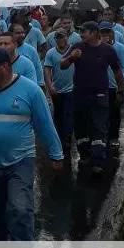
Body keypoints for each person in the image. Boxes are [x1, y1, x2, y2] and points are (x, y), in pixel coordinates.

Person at [0, 48, 63, 240]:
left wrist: (56, 154)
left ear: (5, 67)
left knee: (20, 208)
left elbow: (45, 125)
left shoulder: (30, 90)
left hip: (21, 160)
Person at [60, 22, 124, 174]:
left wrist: (121, 91)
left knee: (99, 126)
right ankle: (85, 155)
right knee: (81, 125)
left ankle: (98, 160)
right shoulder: (77, 47)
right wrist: (71, 58)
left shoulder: (108, 50)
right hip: (80, 94)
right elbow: (62, 65)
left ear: (95, 33)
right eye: (80, 31)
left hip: (100, 94)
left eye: (84, 31)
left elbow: (117, 71)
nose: (81, 34)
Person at [44, 30, 76, 161]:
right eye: (57, 38)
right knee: (58, 114)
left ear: (67, 38)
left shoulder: (73, 51)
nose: (60, 40)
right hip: (57, 89)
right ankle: (61, 136)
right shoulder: (51, 53)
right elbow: (47, 69)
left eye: (62, 37)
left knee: (69, 113)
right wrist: (50, 86)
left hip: (72, 89)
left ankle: (68, 137)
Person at [99, 22, 124, 150]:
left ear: (112, 33)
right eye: (103, 32)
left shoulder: (120, 48)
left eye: (108, 32)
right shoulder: (96, 48)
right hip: (100, 87)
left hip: (114, 87)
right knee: (101, 113)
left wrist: (123, 85)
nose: (105, 35)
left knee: (114, 113)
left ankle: (114, 137)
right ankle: (102, 136)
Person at [9, 23, 45, 91]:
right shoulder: (7, 50)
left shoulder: (31, 50)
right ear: (11, 34)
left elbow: (38, 69)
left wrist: (41, 86)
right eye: (18, 33)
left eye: (23, 33)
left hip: (29, 88)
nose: (21, 35)